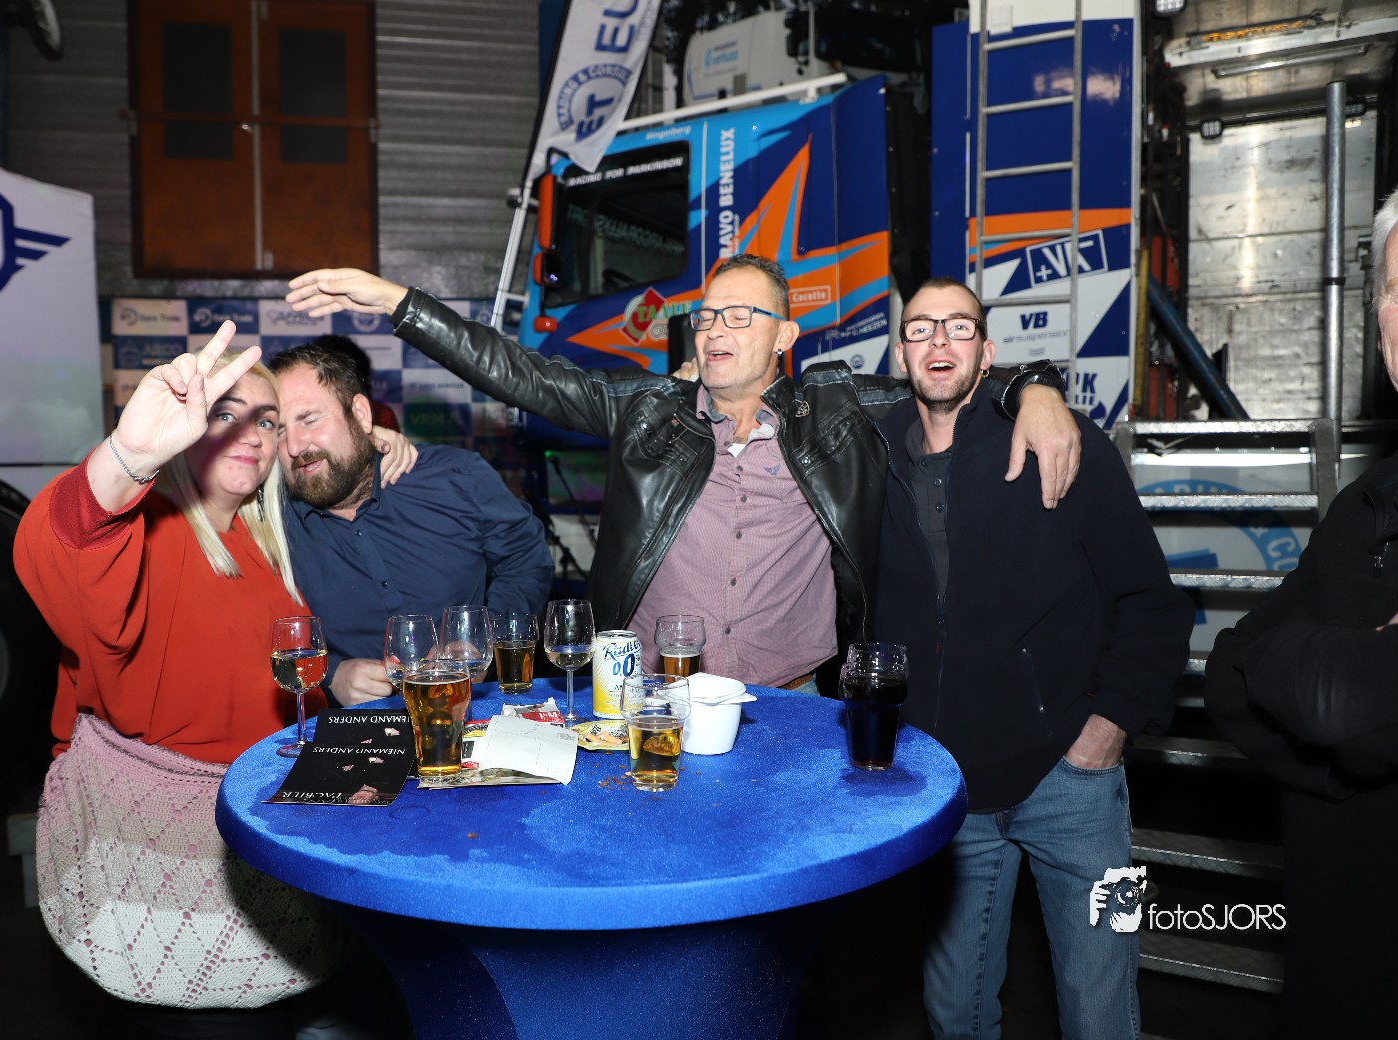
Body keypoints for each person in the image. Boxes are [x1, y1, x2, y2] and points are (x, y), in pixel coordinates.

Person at [284, 255, 1080, 692]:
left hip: (790, 700)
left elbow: (945, 378)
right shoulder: (647, 410)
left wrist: (1036, 388)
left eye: (740, 315)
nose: (714, 329)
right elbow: (523, 375)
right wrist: (398, 301)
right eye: (706, 315)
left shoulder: (835, 410)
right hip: (648, 694)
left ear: (785, 337)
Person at [872, 277, 1193, 1040]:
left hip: (1069, 779)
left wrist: (1104, 733)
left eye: (958, 327)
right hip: (948, 790)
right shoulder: (869, 455)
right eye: (920, 328)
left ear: (988, 352)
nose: (939, 341)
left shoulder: (1063, 441)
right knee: (954, 1014)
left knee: (1099, 1014)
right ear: (900, 353)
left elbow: (1151, 603)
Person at [14, 325, 347, 1037]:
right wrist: (127, 459)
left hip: (265, 848)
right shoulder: (144, 531)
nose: (253, 435)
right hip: (170, 866)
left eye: (267, 422)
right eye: (225, 413)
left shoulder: (262, 545)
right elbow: (62, 547)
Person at [1205, 187, 1398, 1037]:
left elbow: (1341, 706)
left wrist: (1308, 680)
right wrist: (1340, 755)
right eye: (1396, 291)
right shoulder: (1365, 502)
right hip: (1333, 975)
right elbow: (1226, 668)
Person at [268, 336, 554, 704]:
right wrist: (330, 673)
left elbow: (526, 558)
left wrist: (484, 639)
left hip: (475, 713)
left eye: (309, 419)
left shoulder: (454, 478)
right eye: (278, 429)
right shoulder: (268, 521)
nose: (294, 446)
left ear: (361, 414)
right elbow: (254, 630)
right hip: (353, 728)